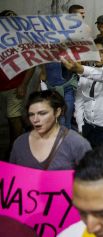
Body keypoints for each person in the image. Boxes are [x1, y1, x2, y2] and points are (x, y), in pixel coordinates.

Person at [10, 90, 91, 170]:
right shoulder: (20, 143)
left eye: (42, 113)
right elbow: (11, 177)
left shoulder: (76, 143)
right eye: (31, 114)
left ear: (57, 112)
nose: (35, 119)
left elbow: (93, 179)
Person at [0, 9, 34, 156]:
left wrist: (23, 85)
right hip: (2, 87)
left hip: (15, 87)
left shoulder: (22, 40)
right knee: (10, 117)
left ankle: (19, 149)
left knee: (13, 117)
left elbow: (32, 65)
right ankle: (15, 145)